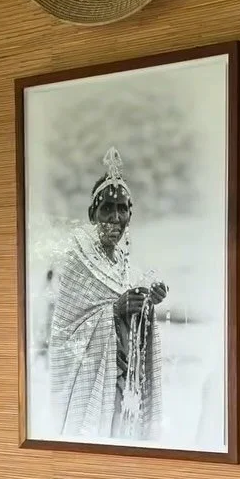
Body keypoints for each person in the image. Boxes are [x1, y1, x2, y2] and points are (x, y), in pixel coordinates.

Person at [48, 148, 168, 441]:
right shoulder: (75, 258)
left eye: (122, 209)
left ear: (130, 214)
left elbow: (129, 316)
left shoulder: (123, 265)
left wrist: (147, 303)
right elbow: (64, 336)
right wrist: (114, 309)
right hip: (94, 382)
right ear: (92, 214)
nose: (115, 217)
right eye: (107, 208)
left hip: (123, 378)